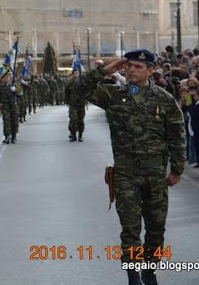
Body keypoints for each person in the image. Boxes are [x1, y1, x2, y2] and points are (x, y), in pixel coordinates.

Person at [76, 49, 185, 285]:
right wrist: (105, 70)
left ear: (150, 71)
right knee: (130, 230)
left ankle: (150, 269)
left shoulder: (164, 99)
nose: (132, 70)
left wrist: (177, 169)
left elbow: (177, 135)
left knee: (156, 229)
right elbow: (78, 91)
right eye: (129, 66)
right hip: (126, 175)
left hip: (156, 176)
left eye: (138, 67)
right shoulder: (115, 96)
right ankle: (133, 275)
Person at [65, 69, 87, 142]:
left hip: (81, 103)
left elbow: (87, 91)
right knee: (73, 119)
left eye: (77, 73)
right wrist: (67, 102)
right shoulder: (70, 82)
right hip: (73, 103)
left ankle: (80, 135)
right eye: (75, 73)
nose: (76, 74)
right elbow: (67, 92)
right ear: (72, 74)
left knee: (81, 120)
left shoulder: (82, 82)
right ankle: (73, 134)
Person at [0, 70, 19, 144]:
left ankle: (14, 135)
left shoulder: (14, 84)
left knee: (14, 120)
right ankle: (7, 136)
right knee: (6, 121)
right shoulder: (1, 86)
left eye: (9, 76)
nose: (8, 77)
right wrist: (0, 105)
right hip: (5, 105)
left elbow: (20, 93)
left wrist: (15, 90)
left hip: (13, 105)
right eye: (7, 76)